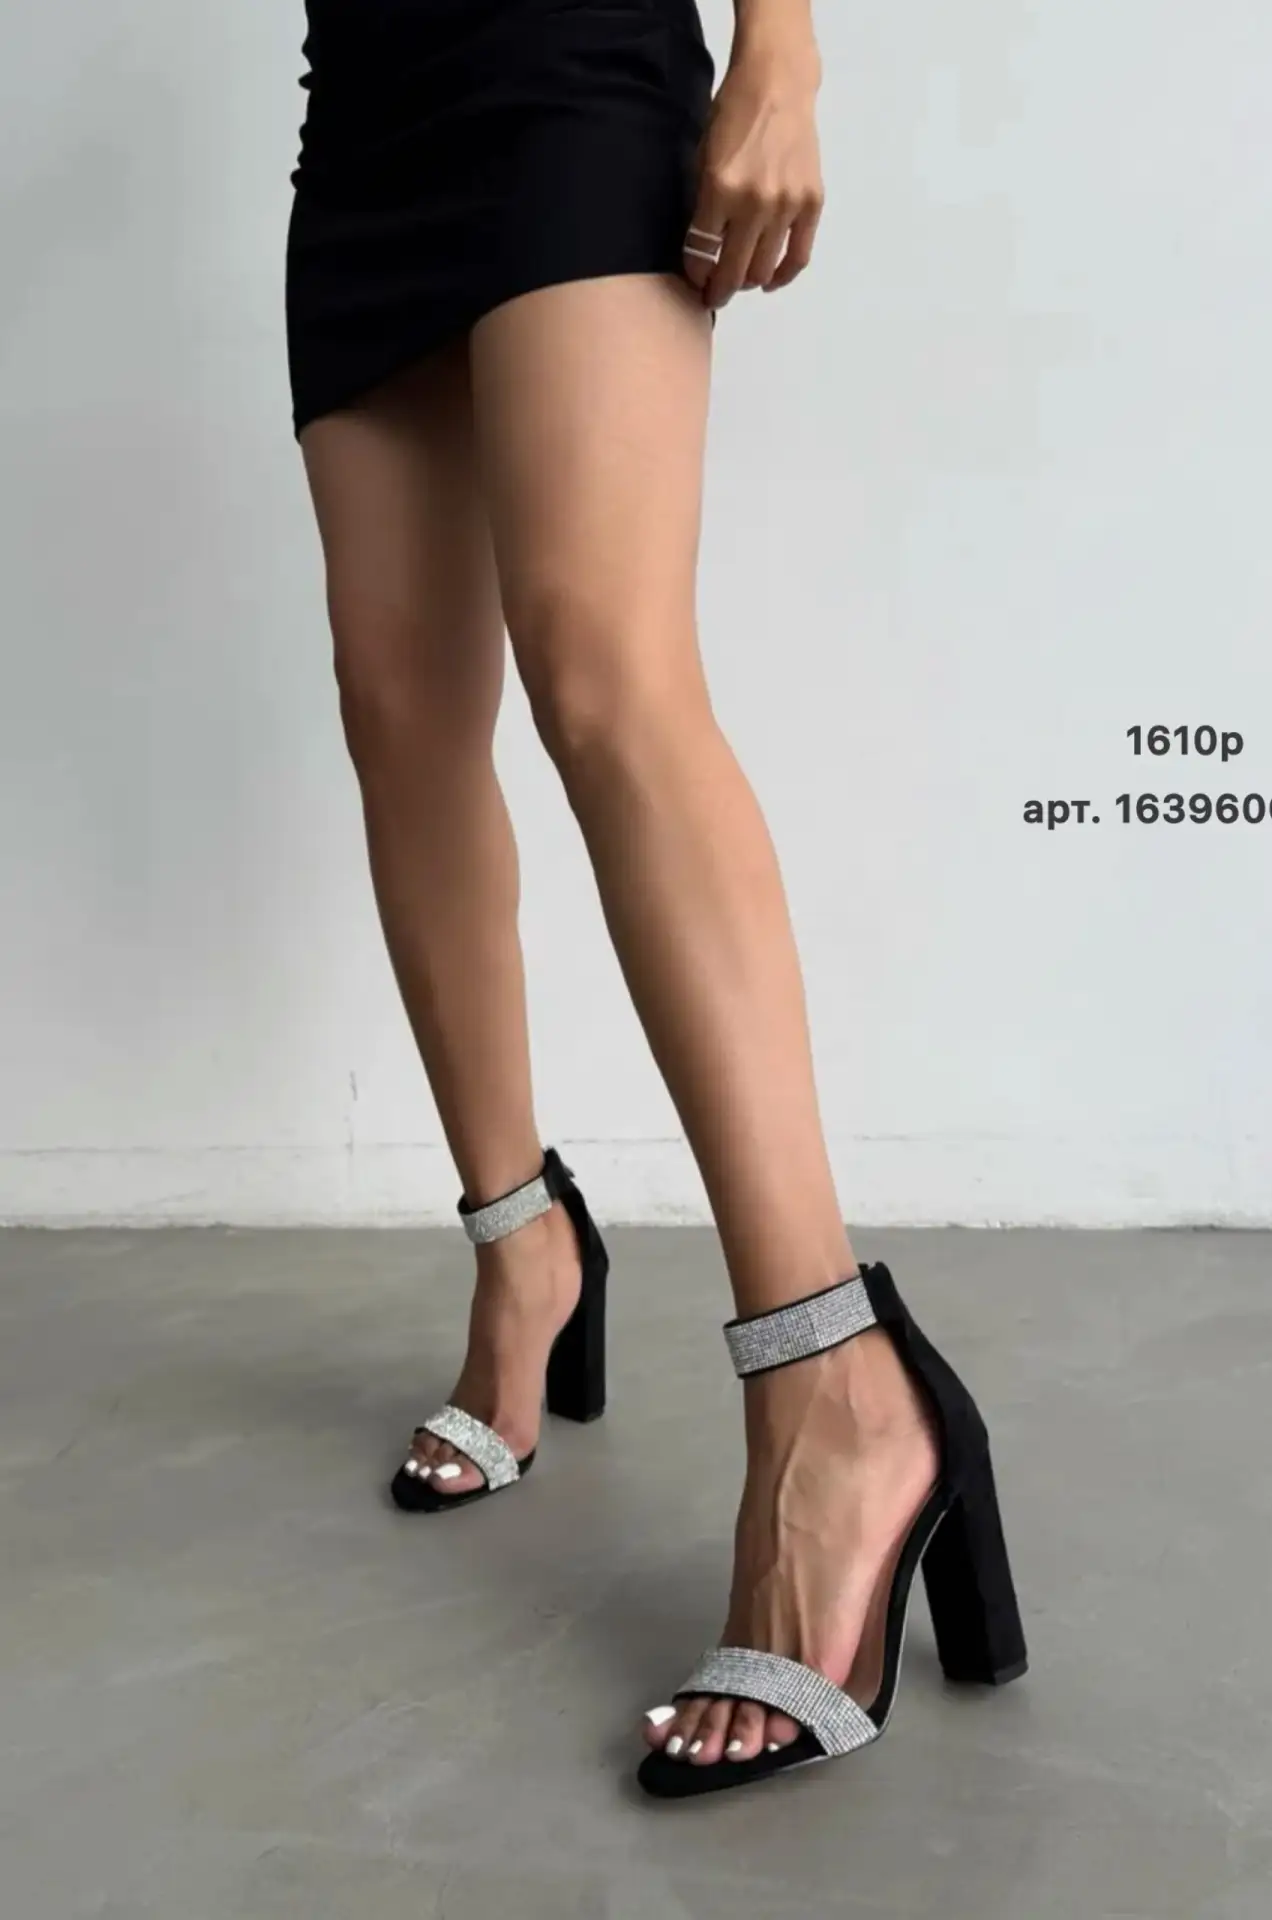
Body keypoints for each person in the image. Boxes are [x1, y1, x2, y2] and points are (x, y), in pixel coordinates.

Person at [285, 0, 1026, 1797]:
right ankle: (523, 1249)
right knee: (400, 724)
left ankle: (839, 1388)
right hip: (365, 110)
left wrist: (782, 46)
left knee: (608, 683)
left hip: (568, 66)